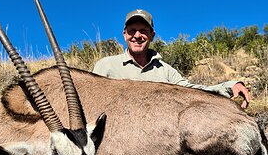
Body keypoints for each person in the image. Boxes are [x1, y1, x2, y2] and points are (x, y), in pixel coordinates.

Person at [93, 9, 250, 109]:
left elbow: (193, 90)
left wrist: (230, 86)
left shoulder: (165, 71)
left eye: (143, 31)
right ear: (125, 35)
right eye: (132, 31)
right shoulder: (106, 66)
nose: (137, 36)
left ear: (152, 35)